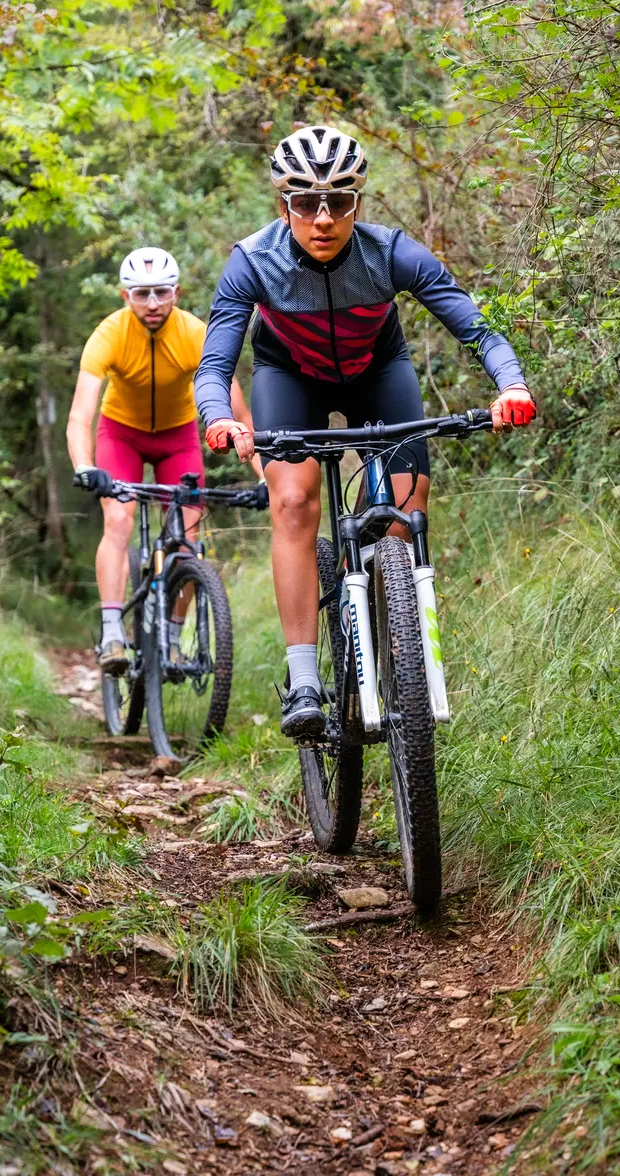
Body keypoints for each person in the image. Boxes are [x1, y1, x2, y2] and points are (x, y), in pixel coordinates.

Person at [194, 125, 535, 738]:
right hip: (289, 378)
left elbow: (477, 330)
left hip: (378, 372)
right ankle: (303, 679)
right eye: (305, 203)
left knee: (408, 509)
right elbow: (215, 365)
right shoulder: (251, 262)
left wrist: (510, 384)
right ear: (283, 206)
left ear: (358, 204)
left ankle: (398, 637)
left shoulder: (392, 253)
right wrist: (218, 418)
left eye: (340, 202)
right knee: (294, 500)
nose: (322, 218)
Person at [66, 246, 256, 674]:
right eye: (142, 294)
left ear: (177, 292)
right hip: (121, 435)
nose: (152, 304)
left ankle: (171, 638)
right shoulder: (109, 335)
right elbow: (80, 415)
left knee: (188, 539)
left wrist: (265, 478)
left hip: (178, 437)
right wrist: (83, 467)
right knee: (118, 520)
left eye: (162, 293)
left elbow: (238, 416)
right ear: (124, 296)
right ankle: (113, 632)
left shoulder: (194, 333)